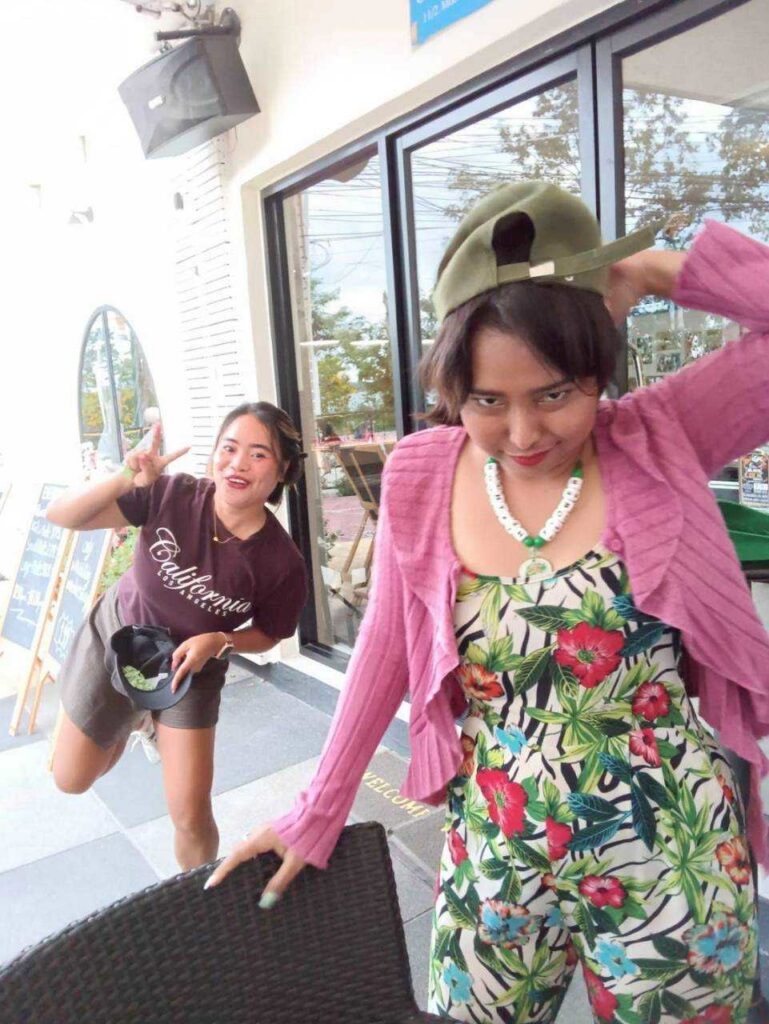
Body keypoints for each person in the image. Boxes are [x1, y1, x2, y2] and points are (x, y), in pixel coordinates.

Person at [207, 184, 768, 1022]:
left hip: (671, 845)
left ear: (597, 371)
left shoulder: (661, 435)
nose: (523, 434)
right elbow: (386, 648)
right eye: (486, 401)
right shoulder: (421, 473)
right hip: (497, 842)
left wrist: (650, 271)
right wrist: (317, 809)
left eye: (555, 393)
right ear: (453, 390)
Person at [48, 401, 308, 870]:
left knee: (190, 814)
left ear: (283, 470)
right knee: (70, 779)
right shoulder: (170, 494)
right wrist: (125, 478)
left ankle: (199, 897)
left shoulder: (281, 562)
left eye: (258, 454)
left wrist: (221, 641)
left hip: (190, 668)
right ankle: (135, 719)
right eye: (229, 448)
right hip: (118, 636)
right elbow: (62, 515)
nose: (237, 464)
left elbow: (270, 633)